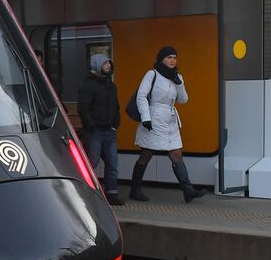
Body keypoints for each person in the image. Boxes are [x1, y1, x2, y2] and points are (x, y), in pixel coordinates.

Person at [129, 46, 206, 203]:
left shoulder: (177, 77)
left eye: (175, 57)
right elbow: (141, 96)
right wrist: (146, 117)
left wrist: (179, 84)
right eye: (169, 57)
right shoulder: (152, 74)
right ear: (161, 59)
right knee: (146, 155)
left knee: (176, 153)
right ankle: (135, 190)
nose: (172, 60)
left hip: (170, 120)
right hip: (153, 118)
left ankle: (188, 190)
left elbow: (184, 100)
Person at [76, 53, 124, 206]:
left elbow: (116, 106)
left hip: (109, 131)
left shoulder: (111, 85)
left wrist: (115, 124)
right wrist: (90, 125)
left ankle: (112, 193)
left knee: (112, 163)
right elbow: (83, 108)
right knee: (92, 162)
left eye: (109, 63)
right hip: (94, 131)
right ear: (97, 65)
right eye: (105, 64)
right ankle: (86, 191)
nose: (108, 66)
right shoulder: (88, 85)